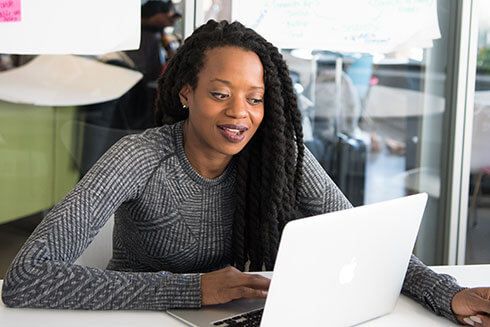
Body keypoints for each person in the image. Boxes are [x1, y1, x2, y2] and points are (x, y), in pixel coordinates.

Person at [1, 20, 490, 326]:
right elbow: (25, 280)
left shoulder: (280, 156)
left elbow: (367, 245)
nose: (240, 114)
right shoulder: (139, 157)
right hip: (138, 317)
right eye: (220, 93)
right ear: (185, 93)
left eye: (254, 98)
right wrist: (192, 290)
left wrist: (446, 295)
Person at [125, 0, 182, 130]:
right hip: (140, 47)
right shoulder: (146, 7)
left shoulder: (165, 6)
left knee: (148, 91)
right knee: (137, 86)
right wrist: (152, 21)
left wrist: (169, 49)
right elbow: (131, 21)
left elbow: (162, 32)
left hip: (151, 49)